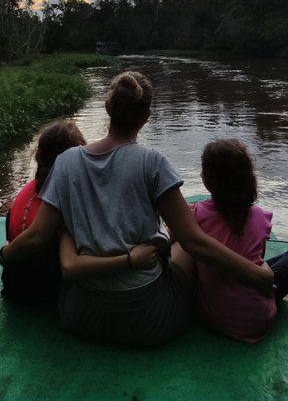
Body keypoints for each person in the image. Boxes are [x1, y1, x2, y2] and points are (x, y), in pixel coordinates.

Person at [0, 71, 274, 347]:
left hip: (79, 316)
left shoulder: (66, 162)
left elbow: (36, 236)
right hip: (149, 320)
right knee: (189, 235)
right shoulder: (152, 162)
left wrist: (4, 253)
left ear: (108, 108)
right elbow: (194, 242)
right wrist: (258, 276)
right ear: (146, 116)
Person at [190, 138, 287, 342]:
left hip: (213, 317)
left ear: (207, 180)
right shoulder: (260, 217)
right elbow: (257, 261)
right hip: (258, 319)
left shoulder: (196, 215)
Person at [1, 119, 86, 304]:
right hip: (42, 289)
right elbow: (36, 237)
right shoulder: (63, 199)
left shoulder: (29, 189)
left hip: (12, 281)